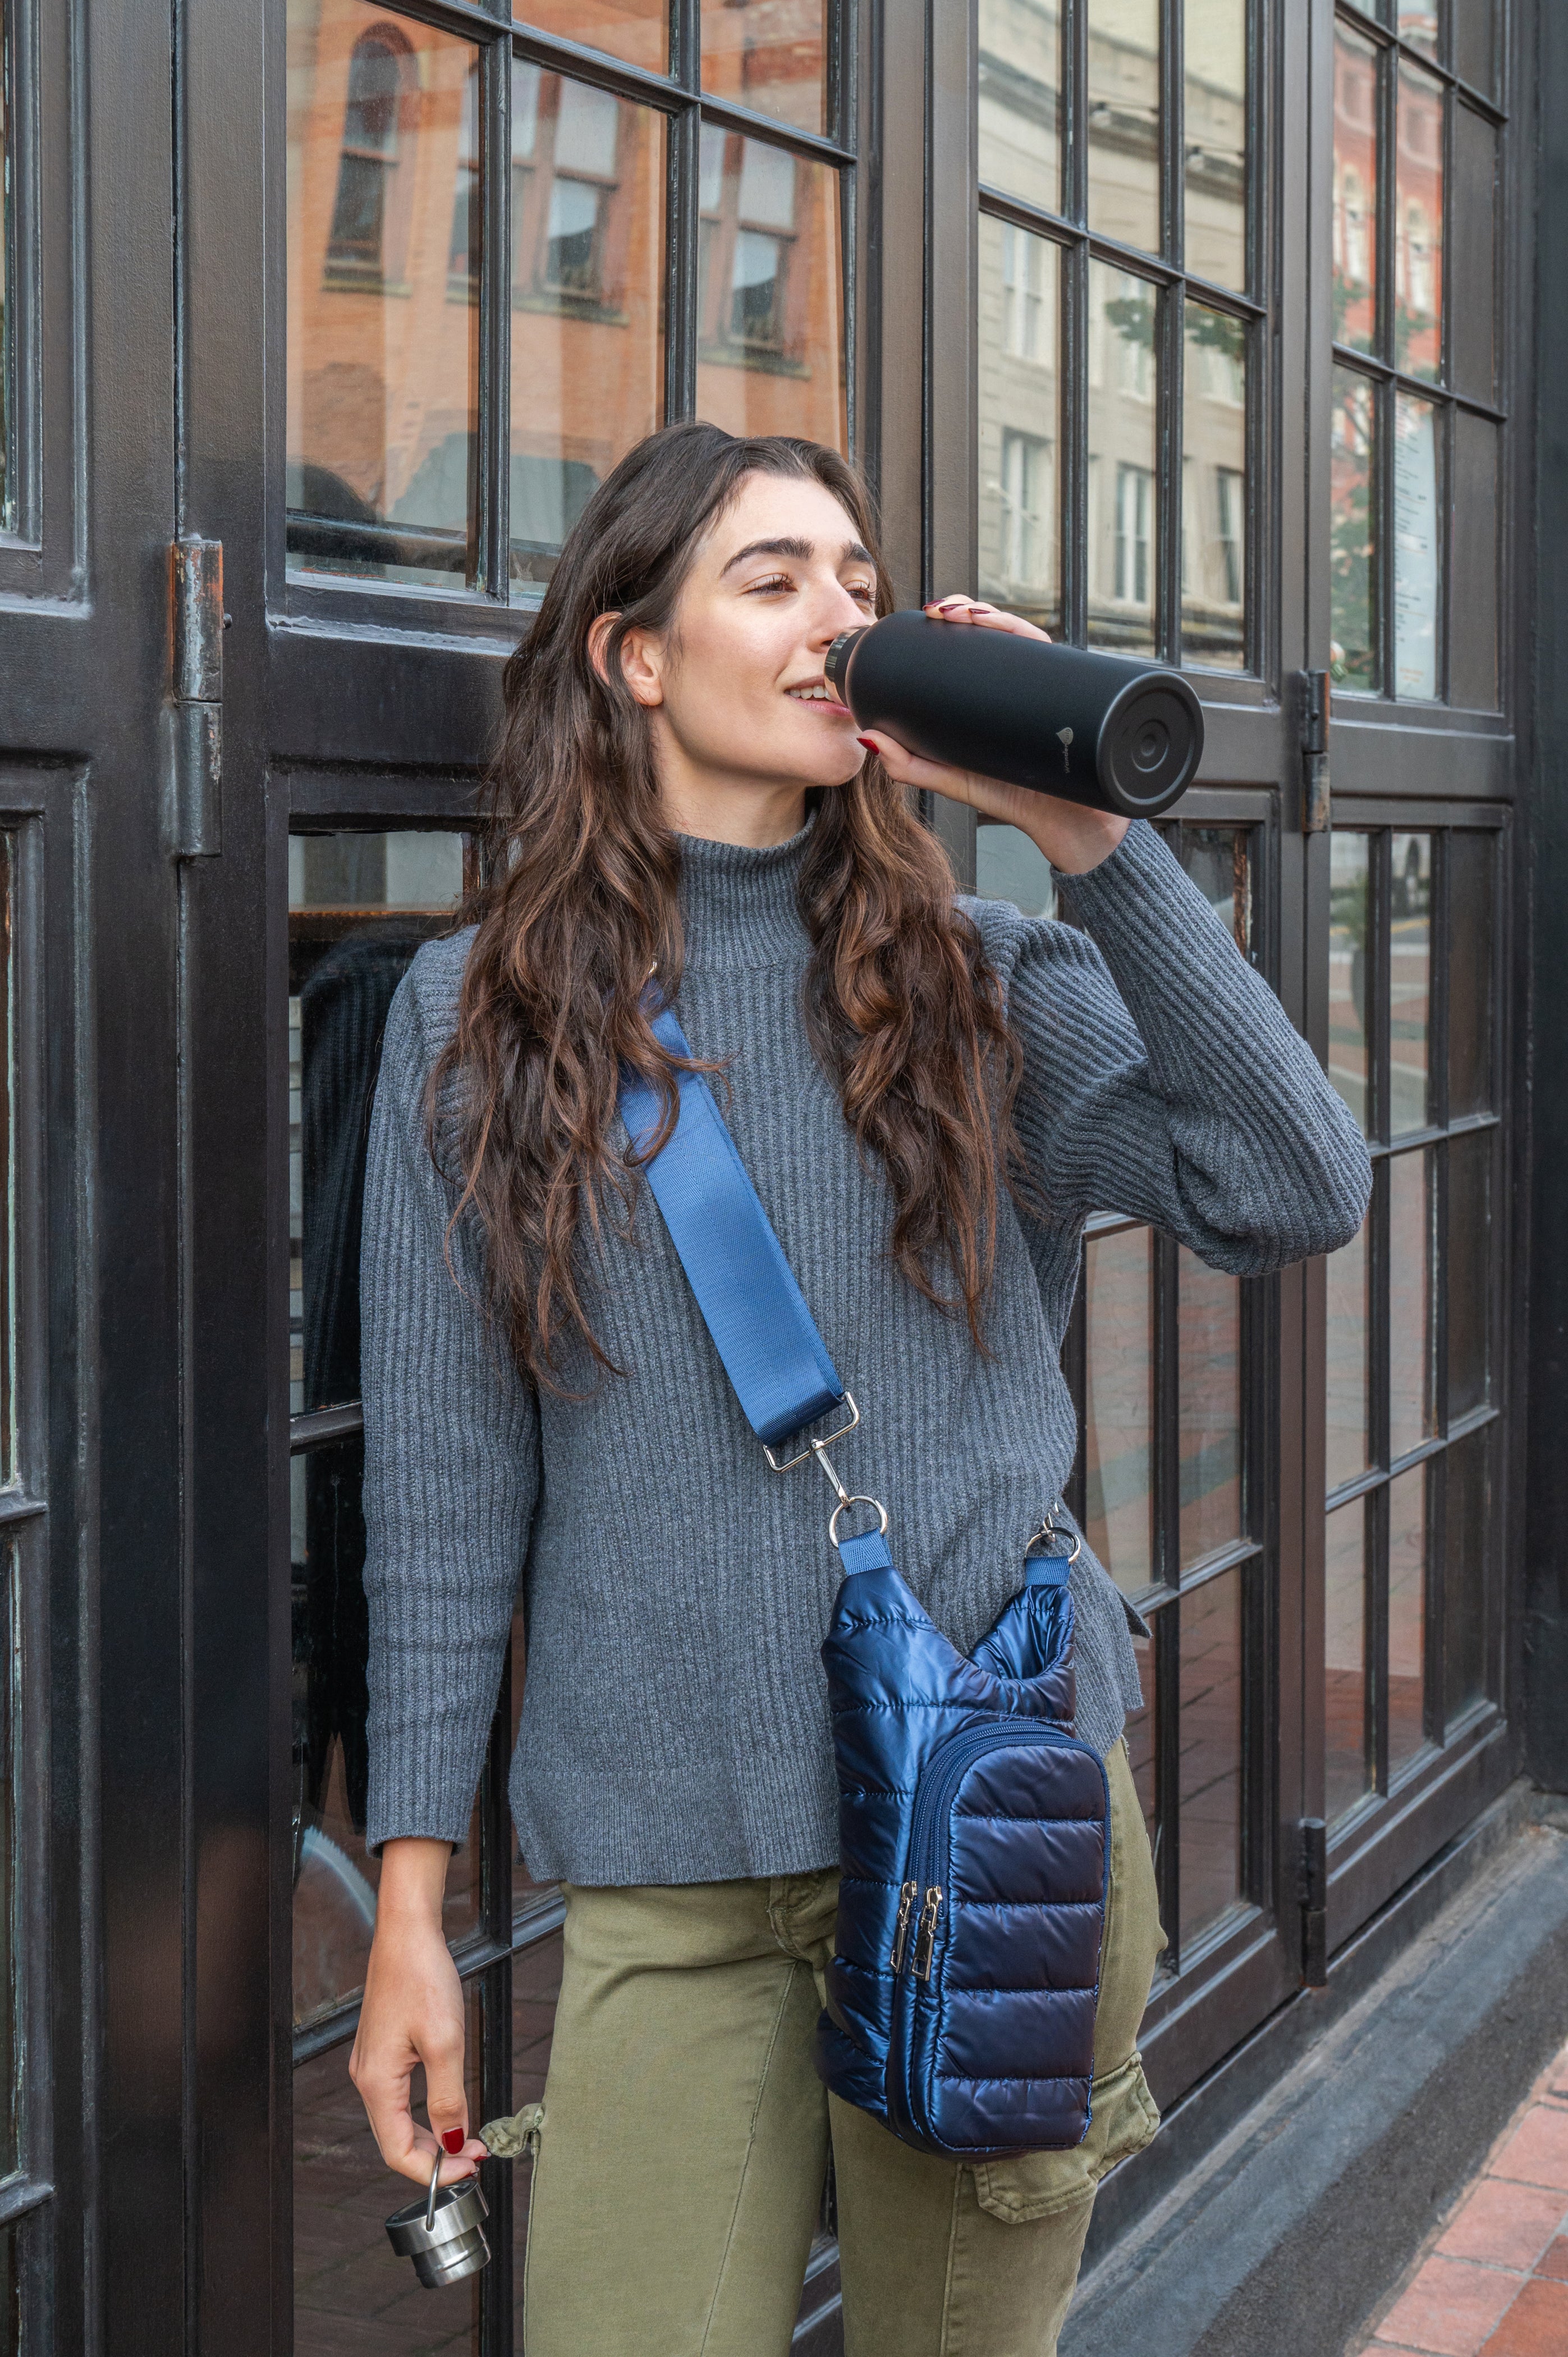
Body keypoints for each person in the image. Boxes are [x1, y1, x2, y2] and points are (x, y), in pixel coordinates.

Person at [349, 421, 1372, 2355]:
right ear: (630, 656)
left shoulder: (990, 979)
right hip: (672, 1869)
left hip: (995, 1823)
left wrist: (1090, 838)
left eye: (862, 586)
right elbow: (443, 1488)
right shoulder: (474, 1016)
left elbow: (1293, 1185)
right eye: (773, 579)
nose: (838, 618)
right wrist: (413, 1903)